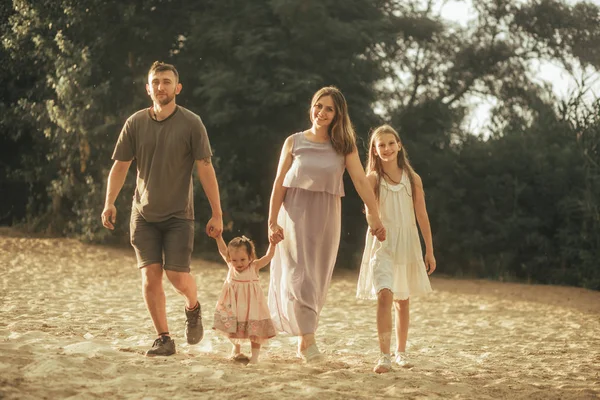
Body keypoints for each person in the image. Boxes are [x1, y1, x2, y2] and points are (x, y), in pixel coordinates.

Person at [101, 61, 223, 357]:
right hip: (142, 213)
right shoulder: (135, 123)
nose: (161, 87)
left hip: (179, 215)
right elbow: (120, 166)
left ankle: (193, 308)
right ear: (148, 88)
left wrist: (217, 212)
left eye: (167, 82)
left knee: (177, 276)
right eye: (155, 82)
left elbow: (205, 169)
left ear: (177, 88)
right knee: (149, 276)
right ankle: (163, 338)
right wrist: (109, 202)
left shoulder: (191, 123)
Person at [267, 86, 387, 363]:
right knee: (299, 275)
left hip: (327, 215)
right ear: (311, 107)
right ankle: (307, 341)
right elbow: (278, 182)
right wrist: (272, 221)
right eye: (318, 106)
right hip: (294, 213)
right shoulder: (293, 142)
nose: (321, 112)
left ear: (337, 115)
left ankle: (304, 335)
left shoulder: (344, 146)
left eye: (328, 108)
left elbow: (360, 181)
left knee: (317, 276)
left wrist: (376, 215)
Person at [356, 124, 436, 373]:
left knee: (402, 300)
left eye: (391, 143)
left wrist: (429, 250)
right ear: (375, 150)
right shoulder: (372, 178)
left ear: (399, 145)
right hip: (383, 244)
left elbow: (422, 214)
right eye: (382, 145)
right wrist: (375, 223)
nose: (387, 148)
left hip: (407, 242)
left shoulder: (413, 179)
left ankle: (401, 352)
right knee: (384, 295)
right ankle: (384, 356)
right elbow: (369, 208)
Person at [212, 235, 278, 364]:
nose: (239, 263)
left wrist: (273, 244)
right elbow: (223, 250)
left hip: (252, 306)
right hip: (234, 305)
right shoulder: (231, 266)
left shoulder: (254, 266)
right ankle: (236, 348)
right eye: (235, 260)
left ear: (250, 257)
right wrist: (218, 237)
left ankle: (254, 357)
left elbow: (268, 257)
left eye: (243, 259)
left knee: (255, 331)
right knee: (232, 328)